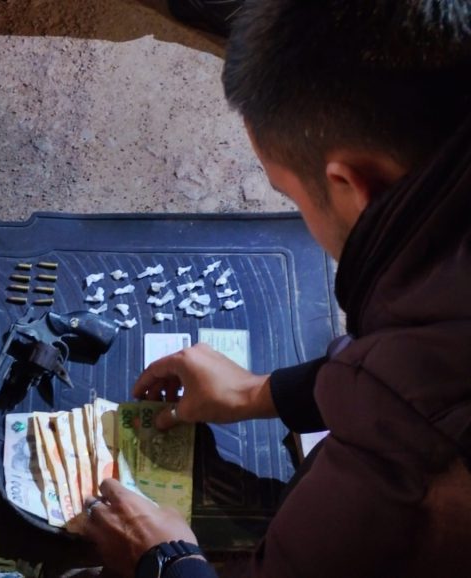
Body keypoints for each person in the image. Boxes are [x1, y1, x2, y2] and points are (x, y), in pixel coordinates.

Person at [69, 0, 471, 576]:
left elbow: (413, 394)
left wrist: (166, 560)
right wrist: (264, 393)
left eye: (290, 192)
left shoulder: (414, 460)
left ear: (349, 184)